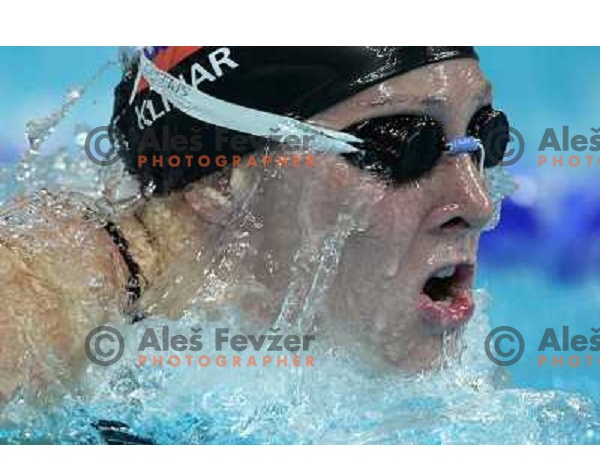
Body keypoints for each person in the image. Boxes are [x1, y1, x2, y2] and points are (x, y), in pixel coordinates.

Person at [0, 46, 509, 401]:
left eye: (487, 135)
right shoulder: (39, 300)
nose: (478, 204)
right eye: (401, 144)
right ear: (223, 177)